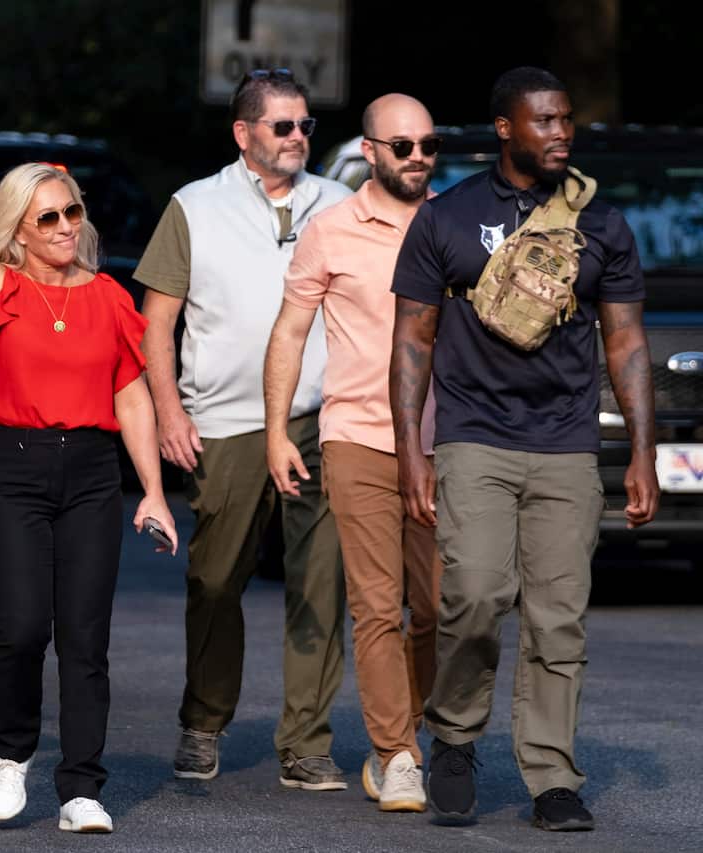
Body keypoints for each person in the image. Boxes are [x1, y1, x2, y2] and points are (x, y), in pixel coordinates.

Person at [390, 67, 658, 831]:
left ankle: (551, 774)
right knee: (473, 594)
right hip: (474, 435)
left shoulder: (600, 221)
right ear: (505, 128)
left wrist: (639, 448)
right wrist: (413, 448)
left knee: (558, 616)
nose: (561, 132)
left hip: (568, 443)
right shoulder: (448, 216)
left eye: (566, 119)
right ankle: (454, 734)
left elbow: (627, 340)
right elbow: (412, 339)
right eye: (544, 120)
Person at [0, 110, 178, 834]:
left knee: (84, 634)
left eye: (73, 211)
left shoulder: (107, 295)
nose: (68, 225)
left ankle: (81, 787)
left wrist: (155, 495)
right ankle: (12, 753)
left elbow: (131, 394)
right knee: (19, 628)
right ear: (17, 229)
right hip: (14, 465)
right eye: (49, 217)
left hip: (95, 473)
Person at [134, 68, 348, 789]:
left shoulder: (342, 204)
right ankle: (203, 721)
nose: (297, 138)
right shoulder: (193, 207)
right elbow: (156, 323)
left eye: (305, 125)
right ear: (243, 133)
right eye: (282, 126)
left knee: (321, 582)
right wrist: (169, 410)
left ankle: (306, 741)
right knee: (216, 579)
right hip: (224, 423)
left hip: (321, 419)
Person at [264, 93, 443, 813]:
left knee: (442, 609)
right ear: (368, 151)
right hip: (358, 438)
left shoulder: (458, 223)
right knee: (375, 606)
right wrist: (278, 428)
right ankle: (396, 754)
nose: (419, 158)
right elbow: (288, 332)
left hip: (447, 444)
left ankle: (411, 726)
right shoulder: (330, 231)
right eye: (402, 146)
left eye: (428, 145)